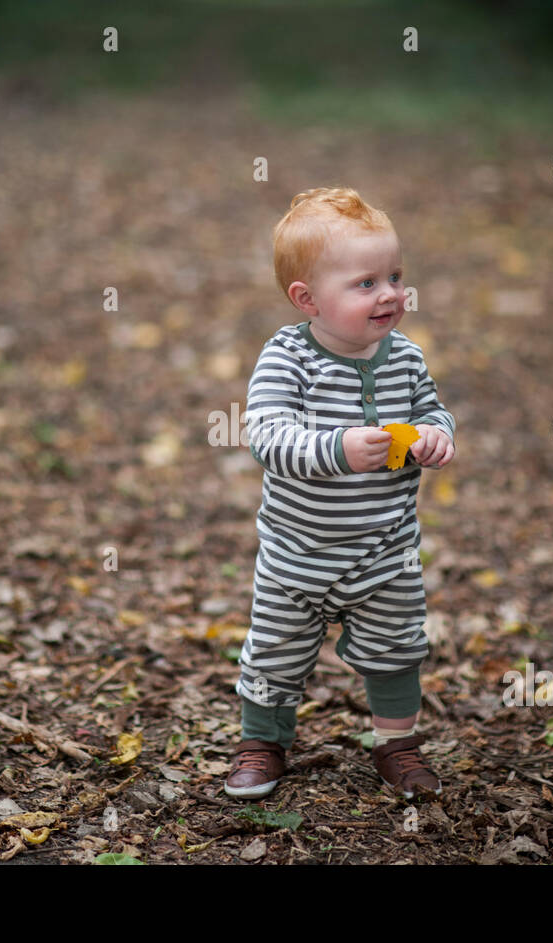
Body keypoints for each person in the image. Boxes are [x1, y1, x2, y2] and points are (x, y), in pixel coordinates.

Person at [226, 186, 456, 801]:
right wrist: (338, 448)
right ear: (308, 299)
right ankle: (262, 743)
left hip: (386, 553)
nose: (389, 294)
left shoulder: (405, 358)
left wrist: (436, 436)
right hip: (298, 554)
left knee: (398, 649)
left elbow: (434, 411)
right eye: (365, 283)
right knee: (274, 653)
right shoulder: (289, 357)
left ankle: (396, 745)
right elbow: (267, 436)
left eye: (395, 277)